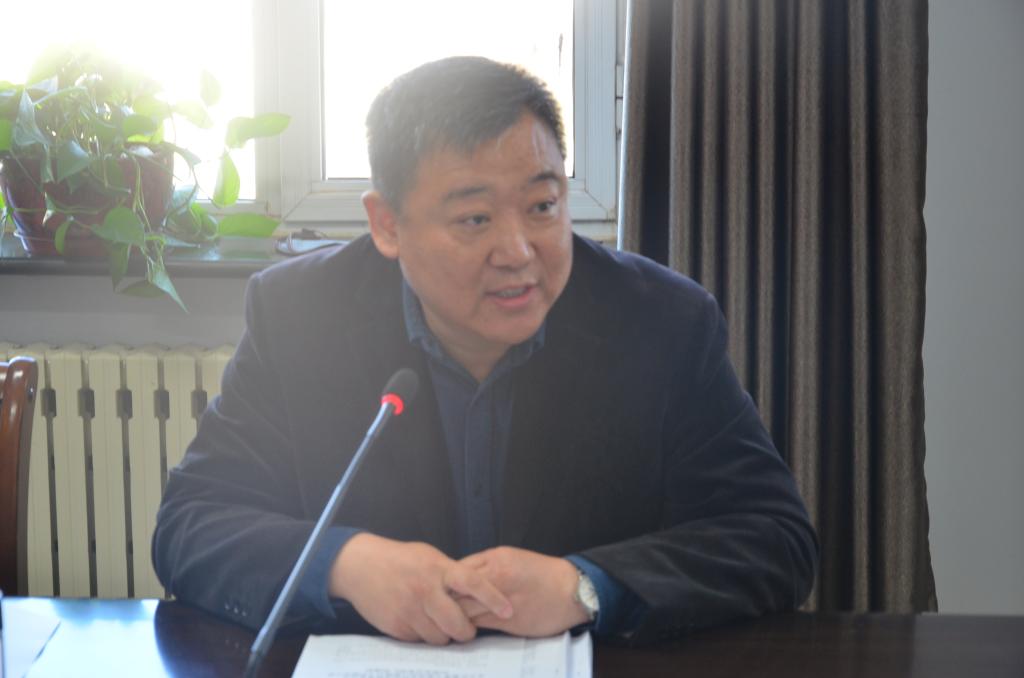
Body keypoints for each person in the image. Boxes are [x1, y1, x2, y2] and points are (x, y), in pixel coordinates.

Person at [153, 56, 817, 646]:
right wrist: (346, 564)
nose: (519, 252)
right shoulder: (302, 315)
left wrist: (585, 586)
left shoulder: (661, 322)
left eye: (542, 206)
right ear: (387, 224)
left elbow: (774, 537)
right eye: (475, 218)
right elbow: (192, 524)